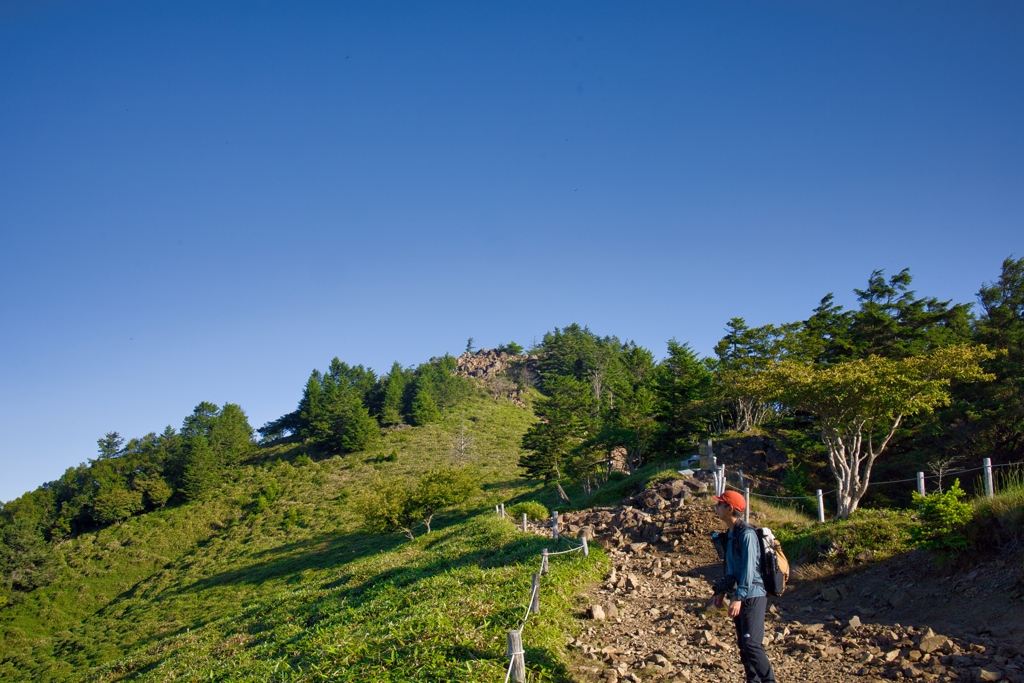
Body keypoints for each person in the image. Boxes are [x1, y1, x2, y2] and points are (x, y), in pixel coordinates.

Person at [710, 490, 776, 683]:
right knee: (744, 645)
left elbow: (748, 570)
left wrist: (738, 597)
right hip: (741, 594)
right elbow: (732, 570)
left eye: (720, 504)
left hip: (753, 596)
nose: (716, 507)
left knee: (752, 644)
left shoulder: (746, 534)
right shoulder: (731, 535)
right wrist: (721, 592)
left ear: (730, 508)